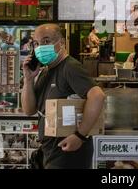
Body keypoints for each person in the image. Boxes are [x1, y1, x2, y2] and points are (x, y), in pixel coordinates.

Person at [22, 24, 106, 169]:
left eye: (46, 41)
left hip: (68, 150)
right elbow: (29, 110)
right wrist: (28, 80)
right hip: (50, 150)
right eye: (36, 43)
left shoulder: (70, 67)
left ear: (60, 42)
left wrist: (80, 136)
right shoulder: (44, 71)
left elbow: (97, 96)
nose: (40, 47)